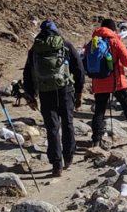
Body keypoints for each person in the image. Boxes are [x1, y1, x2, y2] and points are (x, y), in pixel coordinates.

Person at [23, 20, 85, 177]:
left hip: (45, 92)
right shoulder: (65, 45)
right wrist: (79, 92)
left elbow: (28, 74)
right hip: (65, 90)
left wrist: (31, 96)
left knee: (52, 128)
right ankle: (68, 156)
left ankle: (56, 165)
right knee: (68, 123)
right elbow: (79, 69)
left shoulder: (35, 49)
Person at [85, 18, 127, 146]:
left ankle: (96, 140)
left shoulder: (92, 43)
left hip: (99, 82)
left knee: (99, 111)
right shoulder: (115, 41)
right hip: (117, 82)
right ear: (113, 29)